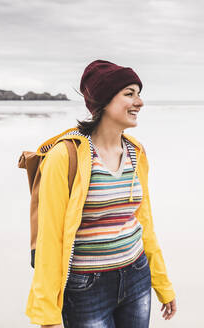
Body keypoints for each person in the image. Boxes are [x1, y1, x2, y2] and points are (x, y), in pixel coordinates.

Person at [25, 60, 177, 327]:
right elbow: (50, 237)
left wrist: (162, 283)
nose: (139, 102)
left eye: (138, 94)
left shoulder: (136, 152)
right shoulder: (65, 156)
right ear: (104, 101)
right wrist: (47, 316)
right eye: (129, 94)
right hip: (85, 287)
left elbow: (144, 223)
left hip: (137, 275)